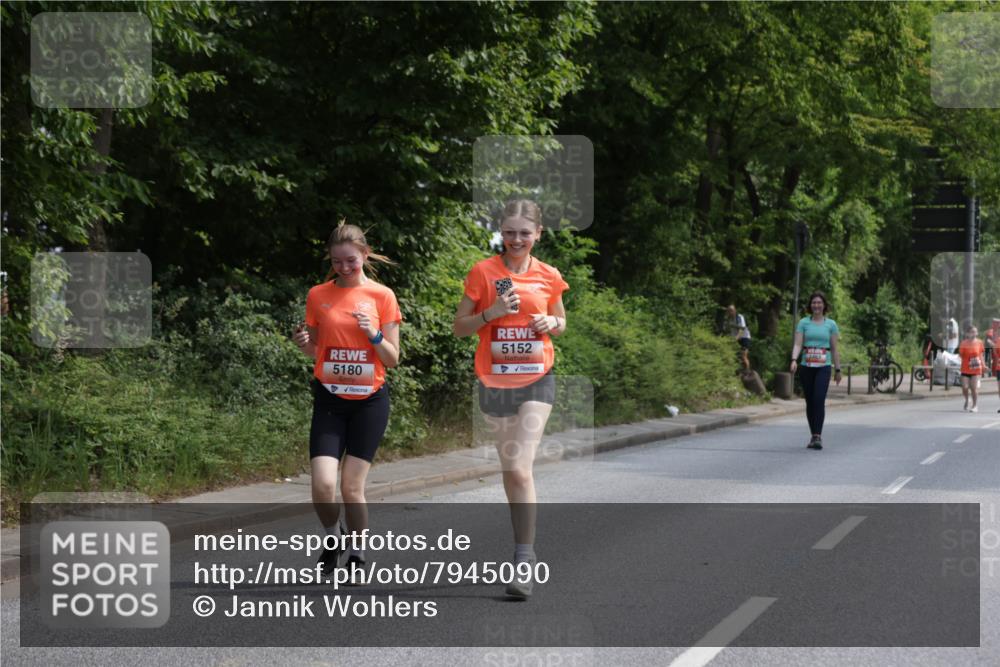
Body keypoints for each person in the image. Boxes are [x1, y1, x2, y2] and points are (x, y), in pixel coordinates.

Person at [452, 199, 568, 599]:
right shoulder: (484, 273)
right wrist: (491, 313)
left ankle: (524, 559)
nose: (516, 239)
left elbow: (561, 321)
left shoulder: (548, 275)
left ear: (537, 234)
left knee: (520, 468)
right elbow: (459, 327)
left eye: (524, 233)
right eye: (509, 232)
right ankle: (522, 546)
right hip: (495, 380)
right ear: (501, 233)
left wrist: (552, 322)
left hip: (537, 378)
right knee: (510, 470)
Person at [293, 220, 402, 581]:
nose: (344, 267)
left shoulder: (382, 296)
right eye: (337, 261)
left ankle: (357, 552)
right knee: (323, 484)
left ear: (365, 255)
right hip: (329, 398)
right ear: (330, 259)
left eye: (351, 261)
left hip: (369, 401)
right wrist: (303, 343)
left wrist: (372, 334)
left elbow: (392, 358)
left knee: (351, 487)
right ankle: (333, 539)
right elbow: (316, 349)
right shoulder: (318, 295)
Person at [789, 292, 842, 450]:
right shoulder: (804, 323)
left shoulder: (831, 324)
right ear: (810, 305)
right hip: (807, 366)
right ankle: (813, 434)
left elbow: (834, 349)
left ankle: (818, 436)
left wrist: (838, 370)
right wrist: (794, 360)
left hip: (824, 367)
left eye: (819, 303)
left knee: (819, 399)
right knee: (810, 402)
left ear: (824, 305)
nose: (816, 305)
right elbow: (798, 344)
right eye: (814, 303)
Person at [958, 325, 985, 413]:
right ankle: (967, 399)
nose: (974, 334)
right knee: (965, 387)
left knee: (973, 388)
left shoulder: (980, 342)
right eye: (972, 332)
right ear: (968, 334)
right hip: (965, 368)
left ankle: (975, 405)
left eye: (975, 332)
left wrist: (984, 365)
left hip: (976, 368)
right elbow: (961, 355)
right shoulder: (963, 343)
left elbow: (981, 355)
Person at [725, 304, 752, 371]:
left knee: (743, 356)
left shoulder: (739, 317)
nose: (730, 312)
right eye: (729, 311)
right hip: (735, 339)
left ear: (735, 311)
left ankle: (747, 372)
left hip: (744, 338)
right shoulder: (728, 319)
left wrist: (736, 338)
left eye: (731, 310)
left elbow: (741, 329)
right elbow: (728, 330)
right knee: (733, 355)